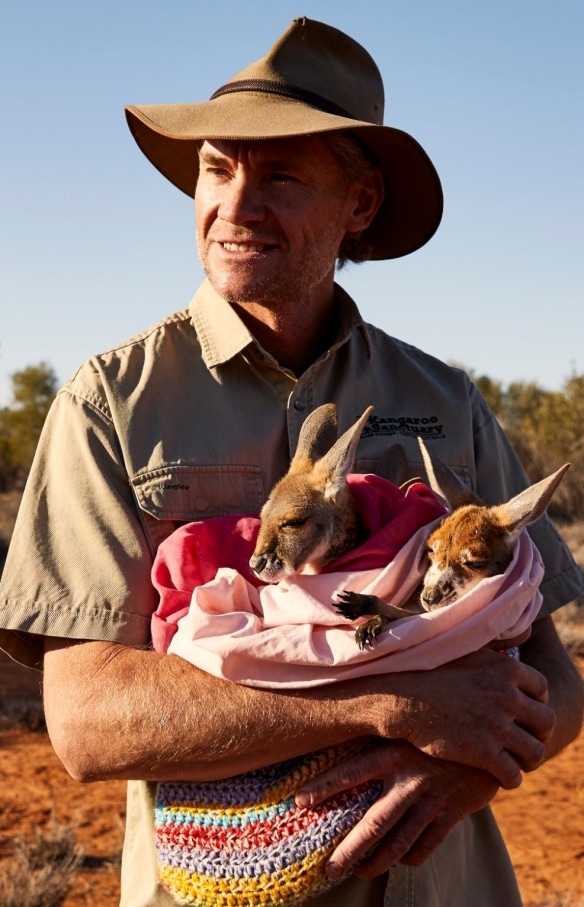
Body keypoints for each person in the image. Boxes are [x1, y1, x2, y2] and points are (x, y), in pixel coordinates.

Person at [0, 16, 582, 907]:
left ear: (360, 203)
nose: (235, 206)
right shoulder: (110, 403)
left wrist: (477, 775)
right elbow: (84, 722)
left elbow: (555, 671)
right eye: (217, 168)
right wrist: (381, 701)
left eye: (279, 175)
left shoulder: (447, 401)